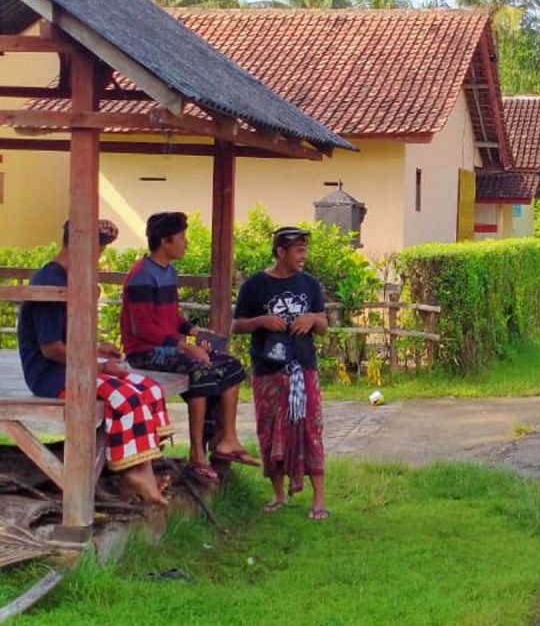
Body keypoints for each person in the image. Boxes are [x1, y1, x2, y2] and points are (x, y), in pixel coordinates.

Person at [18, 219, 173, 506]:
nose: (99, 259)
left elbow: (70, 340)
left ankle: (142, 472)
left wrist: (97, 349)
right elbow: (52, 349)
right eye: (97, 252)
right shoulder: (49, 282)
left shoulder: (70, 279)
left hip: (74, 367)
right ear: (79, 247)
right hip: (49, 374)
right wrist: (99, 366)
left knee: (149, 388)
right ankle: (135, 475)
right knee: (126, 396)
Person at [120, 212, 258, 486]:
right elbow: (142, 329)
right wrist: (185, 347)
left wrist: (197, 333)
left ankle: (226, 439)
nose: (186, 243)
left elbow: (172, 317)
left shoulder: (169, 271)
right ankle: (197, 455)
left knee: (230, 365)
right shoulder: (141, 276)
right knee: (200, 371)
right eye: (182, 237)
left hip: (170, 347)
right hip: (145, 352)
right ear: (164, 241)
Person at [233, 227, 329, 521]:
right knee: (270, 428)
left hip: (303, 367)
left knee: (310, 429)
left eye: (305, 250)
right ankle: (277, 494)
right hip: (268, 369)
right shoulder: (255, 285)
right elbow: (237, 325)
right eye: (298, 250)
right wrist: (262, 320)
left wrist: (312, 318)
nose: (304, 256)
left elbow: (324, 325)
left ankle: (319, 500)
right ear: (280, 252)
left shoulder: (310, 285)